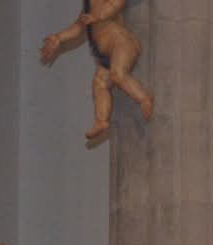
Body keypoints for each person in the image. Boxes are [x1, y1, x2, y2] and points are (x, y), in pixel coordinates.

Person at [39, 0, 154, 145]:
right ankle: (101, 121)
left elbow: (117, 3)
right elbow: (78, 26)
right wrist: (59, 38)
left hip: (122, 44)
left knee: (117, 75)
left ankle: (144, 98)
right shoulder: (88, 5)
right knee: (99, 84)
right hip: (106, 54)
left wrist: (99, 15)